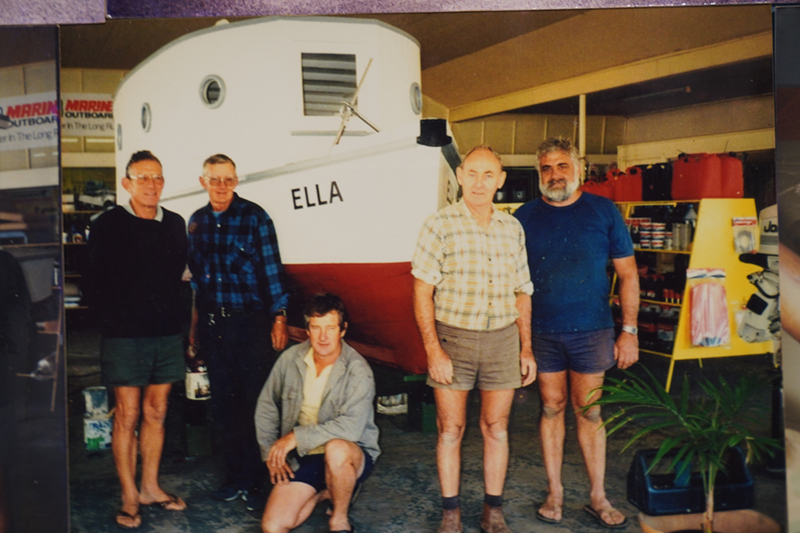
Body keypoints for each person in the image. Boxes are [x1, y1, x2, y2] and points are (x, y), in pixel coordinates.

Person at [513, 138, 639, 529]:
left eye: (562, 166)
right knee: (552, 407)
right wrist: (521, 341)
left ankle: (598, 496)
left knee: (590, 410)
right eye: (547, 168)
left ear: (578, 170)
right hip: (542, 331)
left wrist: (629, 331)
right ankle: (555, 493)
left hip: (592, 330)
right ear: (539, 174)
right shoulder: (523, 216)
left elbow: (628, 274)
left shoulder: (603, 211)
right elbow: (512, 282)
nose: (555, 174)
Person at [412, 145, 536, 533]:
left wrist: (526, 347)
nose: (479, 183)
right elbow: (422, 292)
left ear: (500, 181)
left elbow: (522, 292)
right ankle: (451, 514)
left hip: (502, 341)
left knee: (496, 428)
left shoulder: (512, 228)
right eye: (472, 174)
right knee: (450, 430)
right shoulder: (438, 224)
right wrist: (434, 350)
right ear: (460, 176)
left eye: (488, 175)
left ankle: (492, 511)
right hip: (453, 341)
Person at [86, 150, 189, 529]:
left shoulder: (175, 224)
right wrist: (115, 321)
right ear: (126, 183)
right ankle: (130, 495)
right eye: (142, 177)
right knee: (127, 416)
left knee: (157, 412)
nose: (151, 184)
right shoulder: (108, 224)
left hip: (165, 334)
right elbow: (92, 281)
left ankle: (149, 487)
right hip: (125, 336)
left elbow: (178, 277)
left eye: (157, 177)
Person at [187, 153, 289, 511]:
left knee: (256, 403)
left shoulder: (255, 217)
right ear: (203, 182)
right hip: (214, 325)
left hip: (251, 325)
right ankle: (235, 477)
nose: (221, 186)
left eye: (228, 179)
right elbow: (197, 282)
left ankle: (261, 479)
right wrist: (194, 328)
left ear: (236, 181)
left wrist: (279, 317)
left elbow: (272, 270)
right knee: (224, 405)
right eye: (214, 179)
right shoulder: (196, 222)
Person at [255, 292, 379, 533]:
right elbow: (266, 406)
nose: (323, 337)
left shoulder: (358, 370)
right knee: (273, 526)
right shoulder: (290, 359)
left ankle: (339, 518)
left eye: (330, 328)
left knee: (336, 448)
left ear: (342, 330)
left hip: (350, 454)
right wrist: (272, 454)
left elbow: (351, 428)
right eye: (316, 328)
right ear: (307, 330)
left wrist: (295, 437)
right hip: (305, 456)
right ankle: (327, 492)